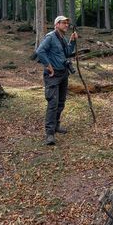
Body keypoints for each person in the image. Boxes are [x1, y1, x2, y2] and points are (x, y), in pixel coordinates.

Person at [35, 15, 78, 146]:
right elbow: (40, 51)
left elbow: (68, 53)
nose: (66, 25)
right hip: (53, 76)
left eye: (67, 23)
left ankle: (56, 126)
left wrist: (72, 41)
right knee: (52, 104)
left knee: (61, 102)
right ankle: (49, 134)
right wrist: (48, 66)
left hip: (63, 74)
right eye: (63, 23)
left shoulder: (63, 38)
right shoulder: (50, 37)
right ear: (56, 25)